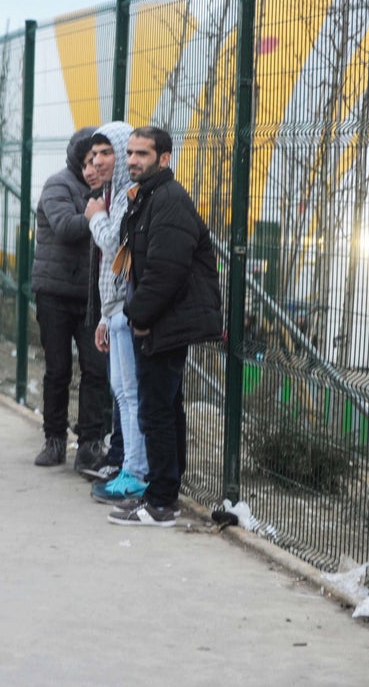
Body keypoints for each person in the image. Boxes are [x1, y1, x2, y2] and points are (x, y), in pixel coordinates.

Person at [106, 126, 222, 527]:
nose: (134, 160)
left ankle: (160, 503)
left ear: (165, 158)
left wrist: (138, 316)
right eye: (132, 153)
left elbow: (164, 271)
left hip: (162, 322)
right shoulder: (149, 196)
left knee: (156, 409)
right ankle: (164, 492)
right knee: (165, 407)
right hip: (159, 320)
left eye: (143, 154)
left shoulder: (169, 200)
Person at [30, 127, 110, 471]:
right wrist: (97, 216)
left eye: (100, 158)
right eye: (89, 159)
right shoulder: (58, 185)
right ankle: (54, 439)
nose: (94, 165)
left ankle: (90, 444)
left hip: (91, 296)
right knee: (58, 369)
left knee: (96, 369)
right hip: (55, 292)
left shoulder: (107, 189)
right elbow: (64, 226)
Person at [86, 122, 152, 502]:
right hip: (115, 311)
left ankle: (135, 471)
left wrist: (95, 216)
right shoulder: (113, 194)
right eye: (95, 155)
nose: (99, 161)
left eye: (107, 152)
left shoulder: (127, 197)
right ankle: (130, 466)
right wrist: (103, 316)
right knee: (122, 392)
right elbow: (111, 268)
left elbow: (114, 246)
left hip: (128, 310)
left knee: (130, 394)